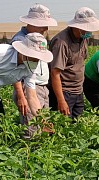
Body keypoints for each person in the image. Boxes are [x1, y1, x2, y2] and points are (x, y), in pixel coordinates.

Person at [0, 33, 53, 140]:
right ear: (24, 51)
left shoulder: (30, 68)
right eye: (35, 57)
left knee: (1, 129)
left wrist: (42, 121)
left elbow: (32, 97)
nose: (37, 61)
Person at [11, 3, 57, 138]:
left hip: (41, 86)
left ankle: (39, 156)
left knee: (42, 126)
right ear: (32, 23)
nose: (46, 28)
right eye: (43, 24)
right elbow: (15, 71)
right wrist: (21, 95)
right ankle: (28, 156)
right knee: (31, 130)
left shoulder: (38, 39)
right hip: (29, 87)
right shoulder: (20, 40)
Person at [49, 7, 99, 118]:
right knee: (64, 127)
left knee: (77, 126)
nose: (89, 32)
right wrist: (61, 100)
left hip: (78, 90)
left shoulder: (83, 38)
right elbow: (55, 73)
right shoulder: (61, 42)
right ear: (77, 27)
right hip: (64, 92)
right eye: (86, 28)